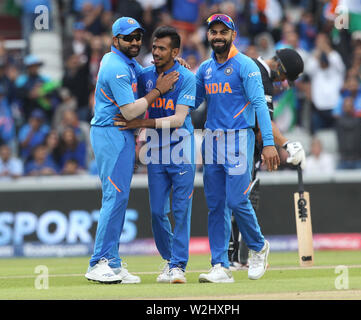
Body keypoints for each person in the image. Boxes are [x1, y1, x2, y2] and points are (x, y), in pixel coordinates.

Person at [84, 17, 179, 284]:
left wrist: (173, 66)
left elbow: (145, 75)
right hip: (111, 133)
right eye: (129, 38)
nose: (135, 42)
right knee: (114, 197)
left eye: (138, 37)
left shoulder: (124, 62)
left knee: (119, 198)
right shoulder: (116, 66)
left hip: (120, 135)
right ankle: (98, 262)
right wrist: (158, 91)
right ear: (116, 40)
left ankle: (112, 262)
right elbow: (130, 111)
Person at [194, 14, 280, 283]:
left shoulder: (246, 66)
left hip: (240, 138)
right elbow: (192, 102)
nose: (217, 36)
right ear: (208, 36)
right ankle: (220, 265)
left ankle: (258, 246)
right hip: (212, 140)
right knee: (216, 205)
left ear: (233, 35)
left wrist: (268, 143)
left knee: (236, 200)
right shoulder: (204, 69)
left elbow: (260, 108)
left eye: (223, 32)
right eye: (213, 32)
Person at [114, 26, 197, 284]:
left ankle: (178, 266)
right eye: (155, 47)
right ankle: (170, 259)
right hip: (155, 152)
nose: (156, 52)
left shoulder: (186, 77)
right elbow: (131, 93)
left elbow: (179, 119)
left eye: (162, 48)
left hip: (181, 150)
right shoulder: (145, 75)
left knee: (181, 210)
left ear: (175, 52)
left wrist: (140, 124)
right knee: (157, 212)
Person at [228, 48, 307, 269]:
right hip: (241, 146)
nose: (284, 83)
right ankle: (234, 256)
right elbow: (263, 123)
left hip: (238, 145)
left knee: (238, 202)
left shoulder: (254, 70)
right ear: (279, 65)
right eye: (285, 77)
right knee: (238, 202)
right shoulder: (259, 74)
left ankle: (233, 257)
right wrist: (285, 144)